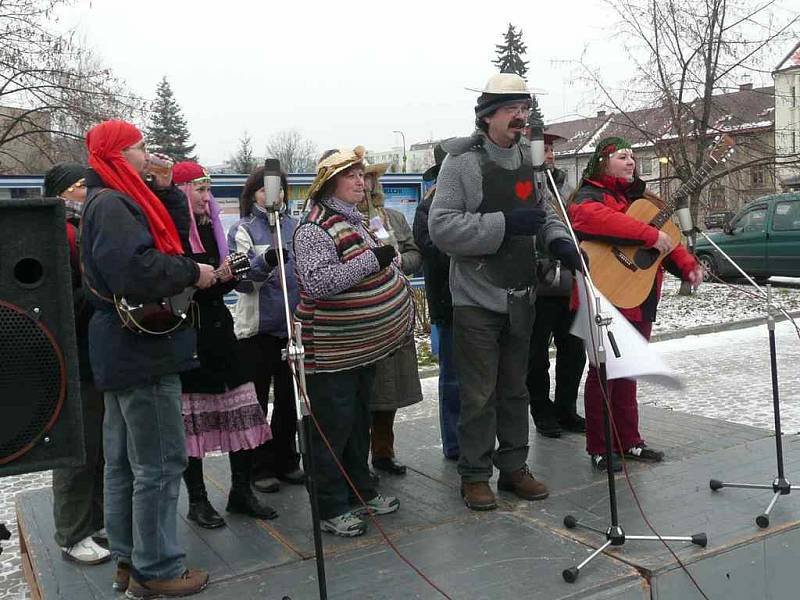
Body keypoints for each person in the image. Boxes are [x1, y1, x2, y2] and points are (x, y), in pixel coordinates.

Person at [428, 73, 582, 511]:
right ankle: (475, 474)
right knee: (478, 393)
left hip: (521, 295)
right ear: (488, 115)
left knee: (516, 388)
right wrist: (503, 225)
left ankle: (514, 468)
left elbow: (545, 213)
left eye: (525, 109)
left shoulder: (529, 162)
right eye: (513, 109)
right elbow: (441, 228)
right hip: (476, 298)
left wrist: (559, 241)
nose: (522, 117)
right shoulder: (461, 163)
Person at [80, 120, 212, 597]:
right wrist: (191, 273)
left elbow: (165, 235)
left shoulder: (112, 197)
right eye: (138, 149)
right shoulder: (114, 203)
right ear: (117, 155)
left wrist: (168, 190)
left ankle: (128, 561)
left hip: (123, 350)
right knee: (158, 464)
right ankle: (157, 569)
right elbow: (135, 271)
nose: (147, 156)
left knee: (123, 464)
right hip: (141, 351)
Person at [293, 146, 412, 537]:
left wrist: (388, 264)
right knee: (332, 427)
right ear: (330, 183)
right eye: (352, 175)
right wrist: (372, 262)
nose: (362, 181)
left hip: (361, 347)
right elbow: (317, 282)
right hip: (329, 351)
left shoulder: (357, 219)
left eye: (362, 174)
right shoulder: (314, 228)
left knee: (358, 421)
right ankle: (330, 507)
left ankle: (361, 490)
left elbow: (386, 256)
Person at [567, 136, 703, 471]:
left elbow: (668, 240)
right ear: (603, 161)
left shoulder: (645, 200)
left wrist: (687, 267)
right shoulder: (589, 196)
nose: (631, 162)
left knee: (628, 372)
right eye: (622, 156)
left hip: (639, 296)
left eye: (633, 157)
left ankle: (629, 440)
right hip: (603, 294)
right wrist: (649, 235)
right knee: (603, 373)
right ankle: (600, 447)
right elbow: (595, 220)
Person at [172, 162, 276, 529]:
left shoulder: (211, 227)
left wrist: (231, 274)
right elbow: (176, 287)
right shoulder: (173, 228)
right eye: (199, 190)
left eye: (208, 189)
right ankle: (198, 500)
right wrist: (213, 278)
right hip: (189, 337)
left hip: (220, 332)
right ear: (183, 191)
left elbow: (219, 285)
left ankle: (241, 491)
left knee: (242, 406)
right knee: (193, 422)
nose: (207, 197)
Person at [44, 163, 110, 566]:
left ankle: (96, 520)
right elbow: (59, 297)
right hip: (73, 356)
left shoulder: (85, 229)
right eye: (80, 186)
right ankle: (72, 532)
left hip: (93, 351)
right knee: (77, 449)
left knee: (100, 445)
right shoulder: (59, 233)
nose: (87, 192)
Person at [227, 166, 304, 494]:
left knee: (289, 398)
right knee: (256, 401)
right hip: (257, 330)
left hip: (289, 326)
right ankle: (259, 466)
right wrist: (266, 262)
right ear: (253, 193)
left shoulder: (294, 226)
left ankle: (286, 459)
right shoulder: (242, 230)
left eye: (279, 189)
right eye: (264, 190)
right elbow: (241, 283)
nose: (273, 196)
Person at [359, 161, 423, 476]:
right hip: (362, 314)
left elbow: (414, 253)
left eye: (371, 178)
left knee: (390, 389)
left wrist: (399, 261)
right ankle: (356, 459)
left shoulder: (392, 218)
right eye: (361, 177)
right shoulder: (343, 222)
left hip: (395, 310)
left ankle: (383, 452)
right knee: (362, 391)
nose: (367, 184)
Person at [524, 129, 587, 438]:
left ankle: (566, 409)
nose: (549, 154)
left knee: (574, 350)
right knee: (536, 356)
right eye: (543, 149)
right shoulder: (526, 184)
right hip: (538, 286)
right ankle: (541, 411)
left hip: (569, 284)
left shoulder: (565, 185)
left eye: (551, 149)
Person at [413, 144, 461, 460]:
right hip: (448, 303)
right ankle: (455, 443)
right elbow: (431, 247)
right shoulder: (426, 208)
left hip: (478, 302)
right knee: (454, 378)